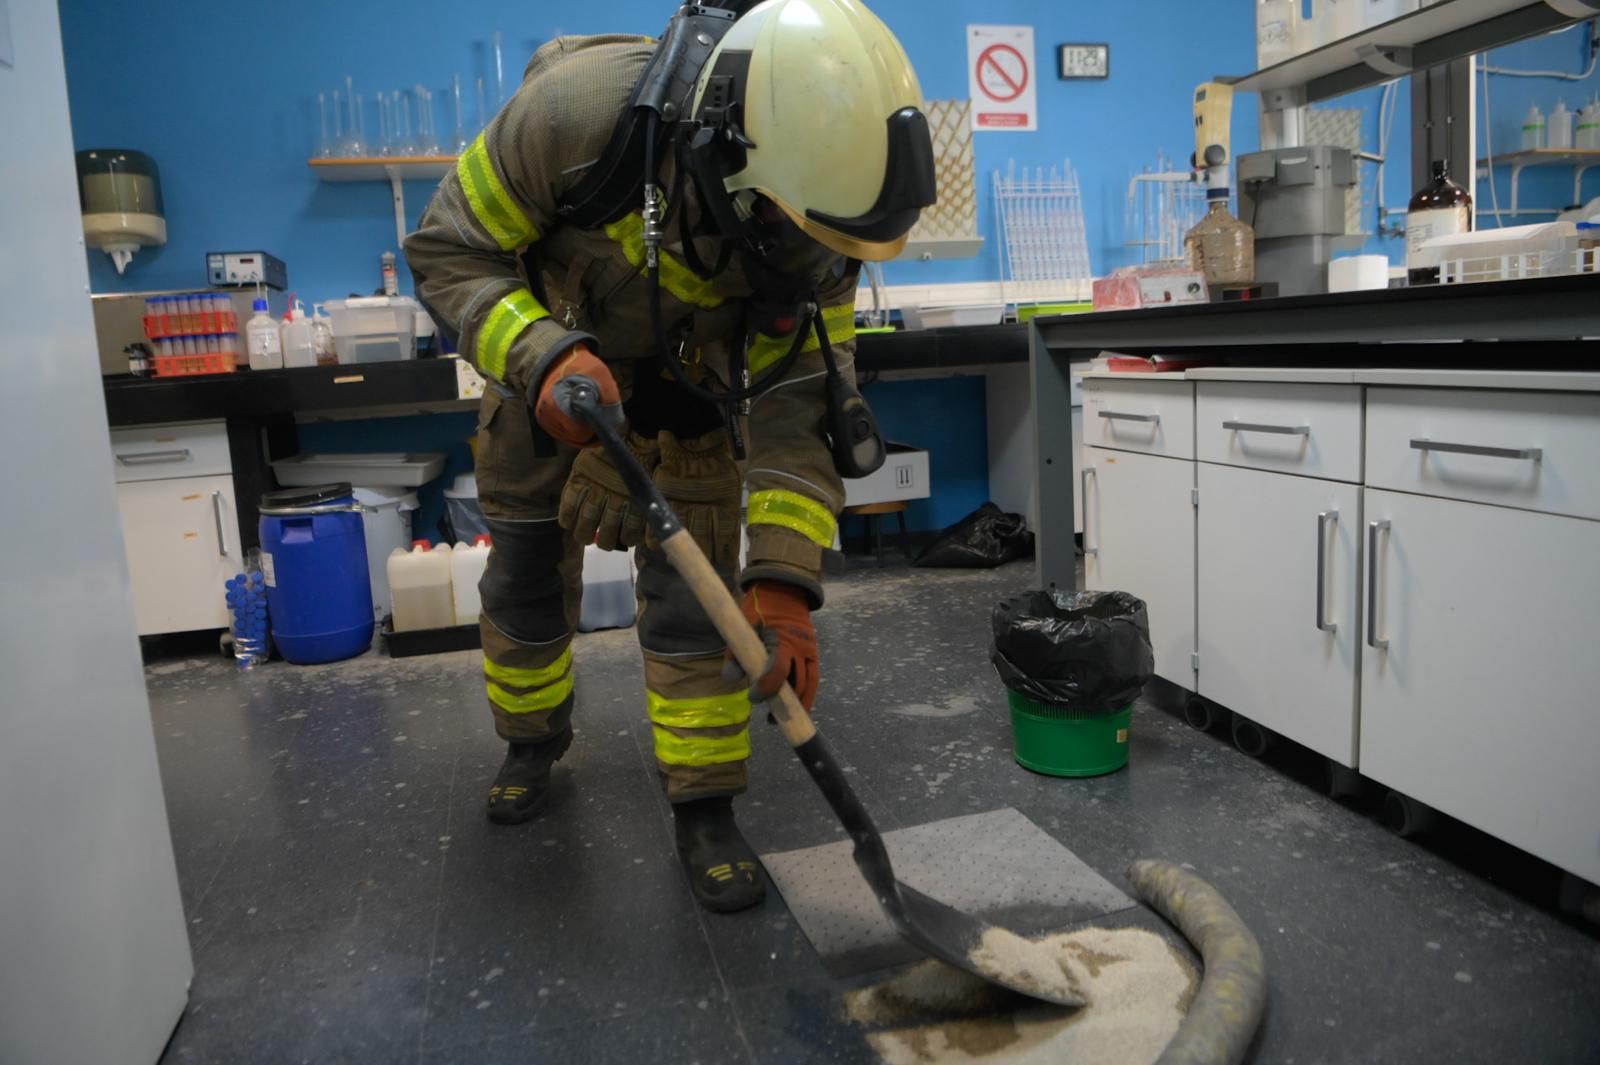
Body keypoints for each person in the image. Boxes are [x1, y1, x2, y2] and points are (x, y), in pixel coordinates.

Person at [404, 0, 934, 914]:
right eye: (803, 242)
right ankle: (531, 740)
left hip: (692, 390)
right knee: (525, 577)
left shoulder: (824, 221)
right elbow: (449, 250)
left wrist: (784, 583)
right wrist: (540, 356)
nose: (822, 266)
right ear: (732, 159)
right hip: (551, 373)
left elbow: (800, 395)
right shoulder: (576, 116)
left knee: (702, 606)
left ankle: (706, 805)